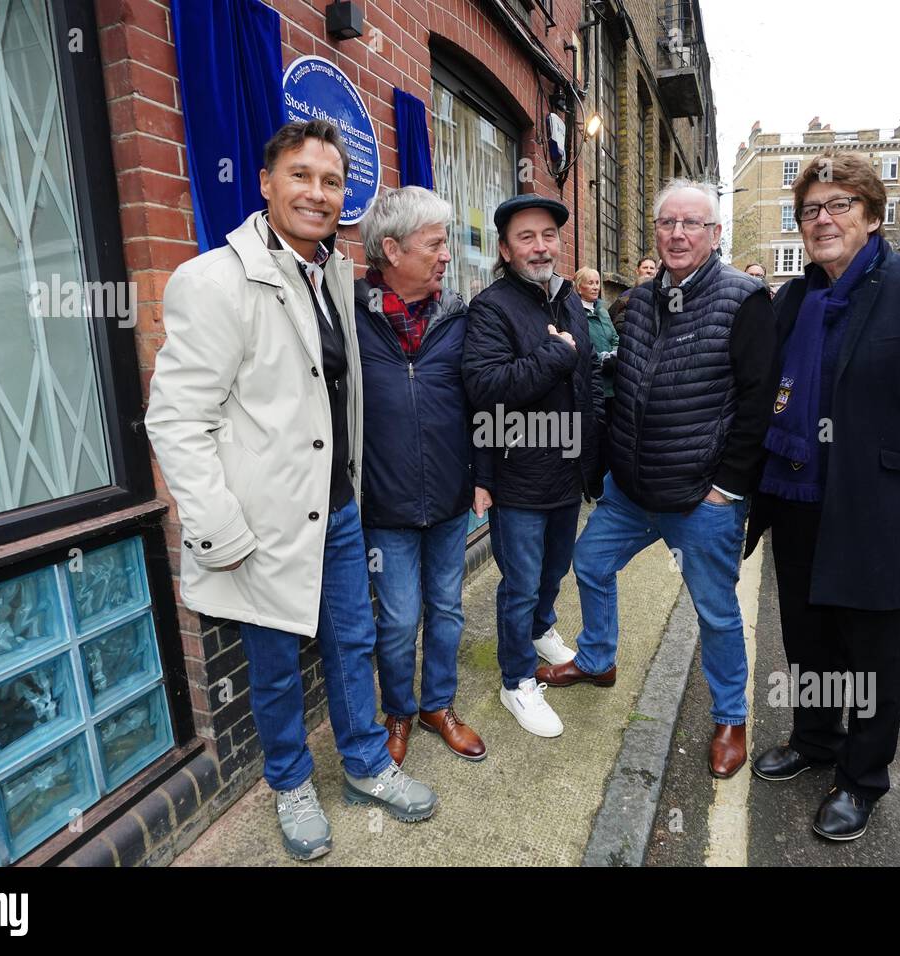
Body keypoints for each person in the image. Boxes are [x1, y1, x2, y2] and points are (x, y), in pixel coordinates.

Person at [145, 121, 438, 862]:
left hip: (337, 511)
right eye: (301, 176)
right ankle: (290, 783)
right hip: (258, 523)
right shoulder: (213, 280)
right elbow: (177, 420)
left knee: (352, 644)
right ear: (267, 184)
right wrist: (220, 529)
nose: (317, 192)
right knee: (274, 667)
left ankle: (368, 765)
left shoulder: (334, 275)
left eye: (332, 181)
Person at [743, 153, 900, 841]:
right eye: (810, 210)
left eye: (839, 205)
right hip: (797, 500)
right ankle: (816, 742)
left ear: (874, 216)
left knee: (873, 653)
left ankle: (861, 777)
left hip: (880, 510)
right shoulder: (793, 297)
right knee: (810, 642)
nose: (822, 220)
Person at [537, 179, 776, 780]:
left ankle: (731, 716)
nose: (677, 234)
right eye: (667, 223)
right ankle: (597, 660)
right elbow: (624, 381)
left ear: (715, 234)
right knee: (589, 565)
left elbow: (758, 405)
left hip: (702, 498)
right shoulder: (639, 301)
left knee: (716, 612)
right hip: (631, 491)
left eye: (692, 224)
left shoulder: (746, 299)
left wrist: (729, 487)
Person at [354, 186, 489, 766]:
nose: (445, 255)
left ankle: (439, 705)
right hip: (385, 506)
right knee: (400, 617)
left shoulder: (459, 318)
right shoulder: (349, 318)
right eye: (434, 243)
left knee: (448, 607)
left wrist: (482, 475)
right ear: (391, 249)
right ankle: (399, 712)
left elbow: (482, 403)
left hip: (451, 499)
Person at [462, 195, 605, 738]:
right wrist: (554, 356)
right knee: (519, 584)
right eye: (527, 237)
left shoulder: (568, 298)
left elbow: (586, 380)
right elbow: (485, 388)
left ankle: (542, 628)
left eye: (548, 235)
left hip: (568, 471)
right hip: (518, 474)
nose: (540, 246)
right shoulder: (492, 307)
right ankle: (516, 679)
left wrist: (593, 458)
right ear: (505, 248)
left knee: (554, 569)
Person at [574, 267, 619, 423]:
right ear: (579, 288)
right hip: (592, 381)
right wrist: (601, 359)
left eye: (597, 283)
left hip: (612, 380)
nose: (595, 287)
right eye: (590, 283)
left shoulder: (603, 311)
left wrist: (615, 352)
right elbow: (580, 346)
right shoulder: (575, 313)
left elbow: (615, 338)